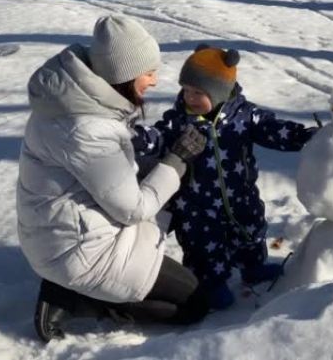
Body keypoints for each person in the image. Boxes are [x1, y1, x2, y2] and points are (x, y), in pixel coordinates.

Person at [16, 15, 210, 343]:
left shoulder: (72, 101)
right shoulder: (87, 128)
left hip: (57, 234)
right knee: (195, 306)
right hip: (80, 253)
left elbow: (107, 174)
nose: (154, 81)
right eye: (148, 73)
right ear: (122, 75)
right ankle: (76, 298)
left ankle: (74, 286)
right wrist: (176, 162)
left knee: (162, 176)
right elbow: (131, 210)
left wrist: (160, 166)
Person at [133, 44, 319, 309]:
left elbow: (274, 130)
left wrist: (308, 137)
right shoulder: (180, 121)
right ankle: (210, 283)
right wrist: (137, 139)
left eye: (198, 92)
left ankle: (253, 267)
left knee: (251, 232)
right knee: (202, 246)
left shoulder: (245, 117)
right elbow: (159, 136)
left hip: (241, 196)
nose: (190, 97)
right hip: (197, 205)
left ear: (219, 91)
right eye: (186, 90)